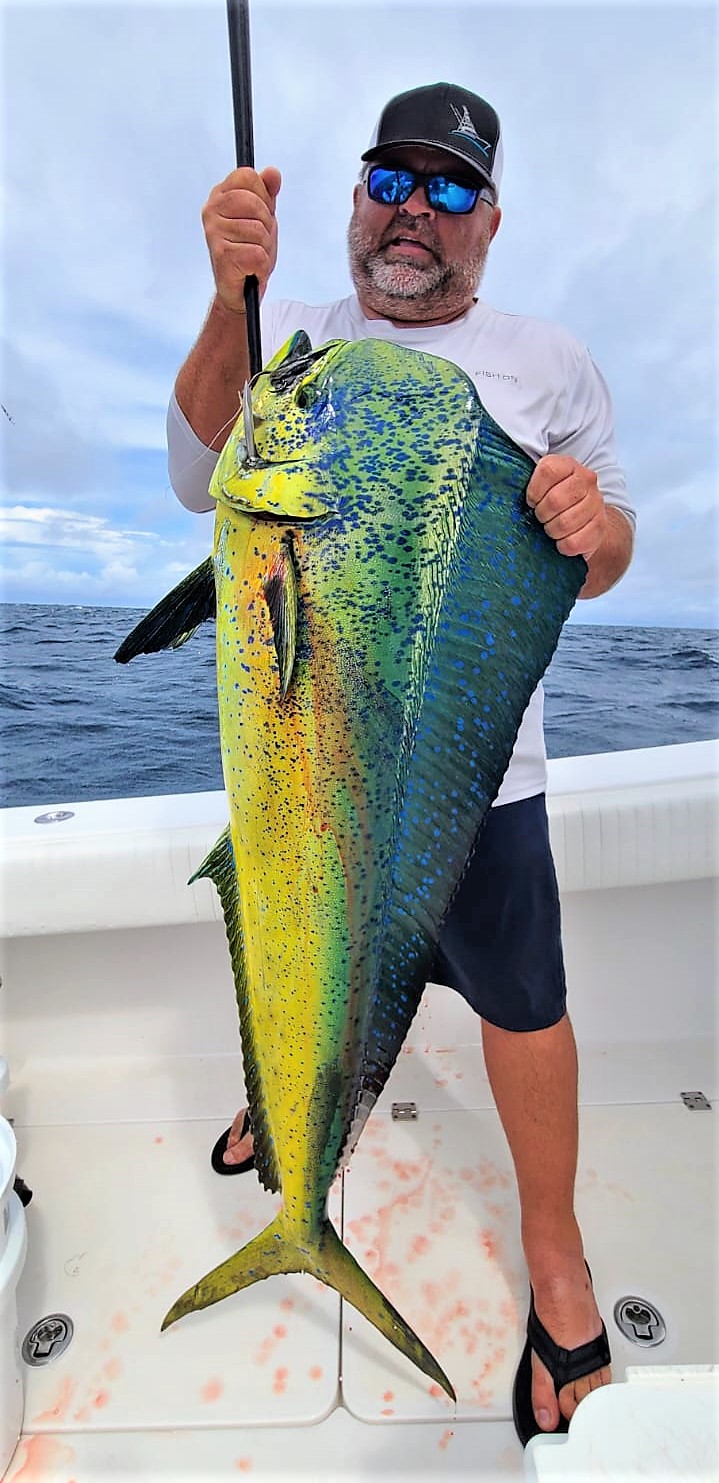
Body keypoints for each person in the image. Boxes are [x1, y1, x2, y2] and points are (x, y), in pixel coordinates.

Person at [166, 82, 635, 1446]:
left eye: (450, 189)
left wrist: (591, 523)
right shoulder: (291, 331)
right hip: (306, 762)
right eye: (391, 182)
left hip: (480, 779)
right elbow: (199, 474)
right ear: (358, 200)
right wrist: (228, 297)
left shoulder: (549, 359)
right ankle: (290, 1117)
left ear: (489, 219)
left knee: (525, 1008)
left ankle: (555, 1257)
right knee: (288, 929)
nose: (414, 212)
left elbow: (608, 554)